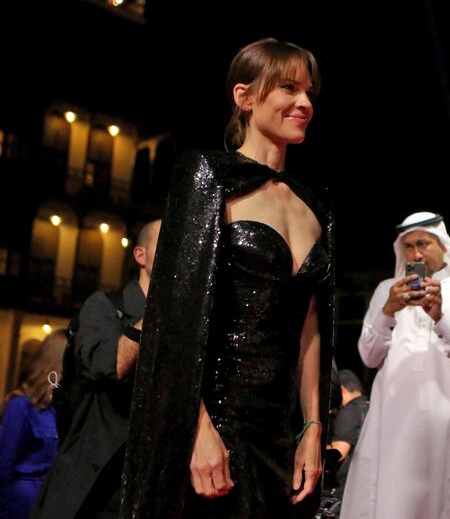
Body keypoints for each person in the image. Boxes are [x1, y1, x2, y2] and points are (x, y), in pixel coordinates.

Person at [121, 38, 335, 519]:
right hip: (212, 423)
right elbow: (173, 317)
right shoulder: (205, 176)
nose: (304, 103)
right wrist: (195, 431)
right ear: (245, 96)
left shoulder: (315, 207)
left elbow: (311, 327)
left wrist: (313, 428)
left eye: (309, 92)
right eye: (288, 88)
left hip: (284, 433)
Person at [341, 211, 450, 519]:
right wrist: (387, 311)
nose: (415, 253)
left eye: (423, 243)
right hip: (389, 425)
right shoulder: (387, 290)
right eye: (408, 246)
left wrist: (440, 316)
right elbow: (369, 357)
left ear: (443, 245)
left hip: (443, 421)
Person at [33, 220, 159, 519]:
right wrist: (164, 301)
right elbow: (112, 365)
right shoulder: (103, 306)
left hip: (150, 491)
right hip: (95, 491)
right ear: (140, 255)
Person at [0, 330, 66, 519]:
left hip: (48, 502)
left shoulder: (57, 409)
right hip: (21, 504)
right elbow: (4, 468)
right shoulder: (20, 405)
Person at [328, 369, 369, 494]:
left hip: (346, 489)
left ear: (341, 390)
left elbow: (338, 453)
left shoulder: (349, 412)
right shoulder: (371, 407)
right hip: (365, 484)